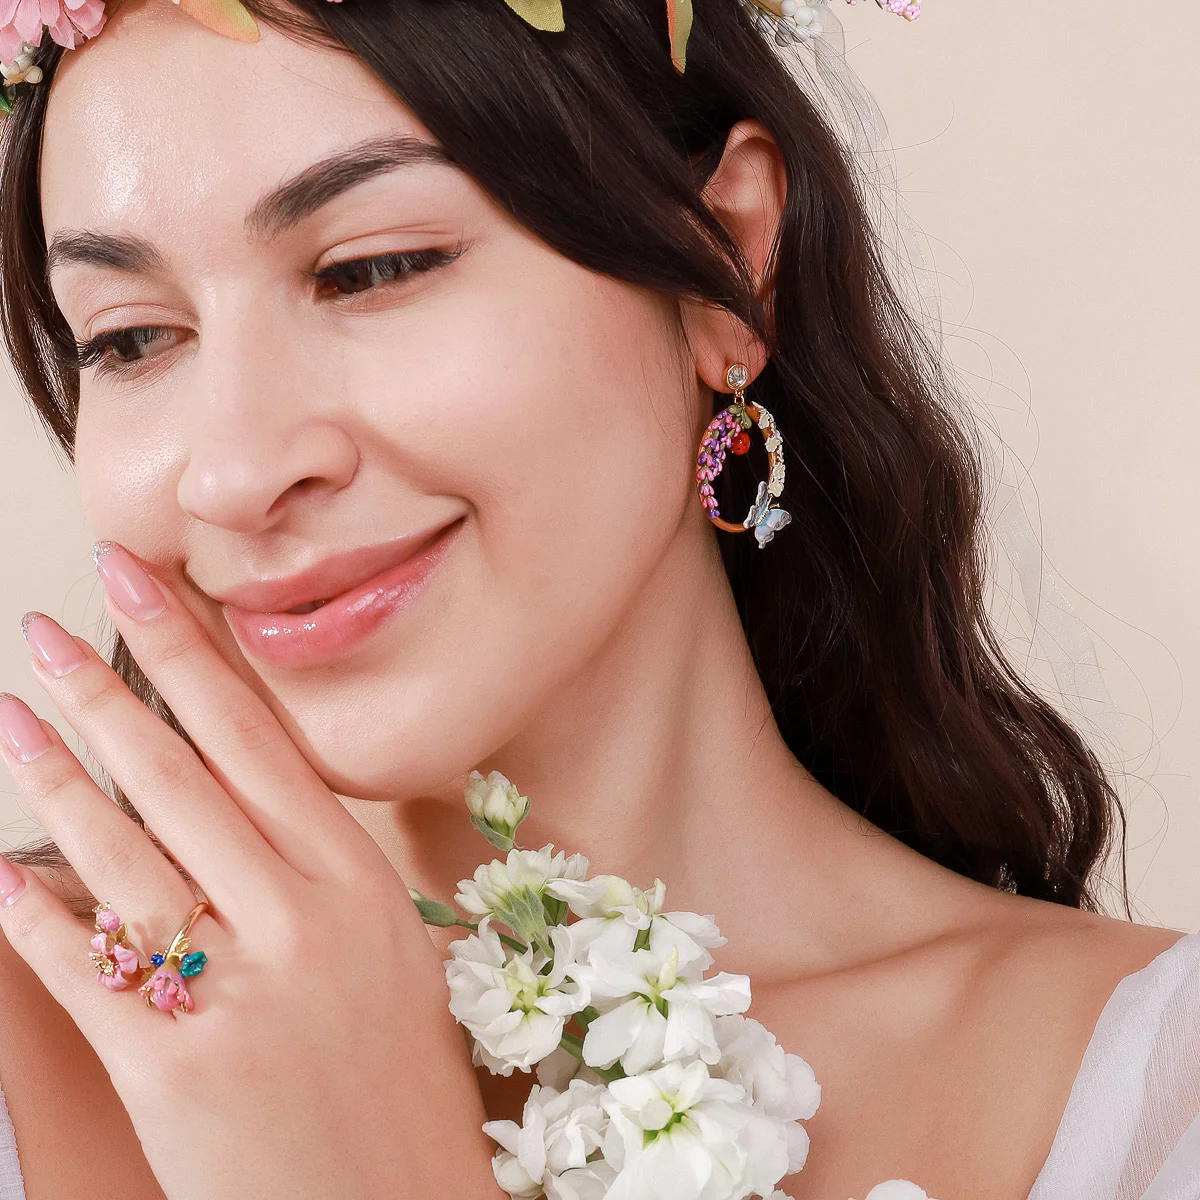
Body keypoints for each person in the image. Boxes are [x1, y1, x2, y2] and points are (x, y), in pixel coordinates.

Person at [0, 0, 1194, 1195]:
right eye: (130, 340)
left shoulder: (1153, 1102)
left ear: (727, 265)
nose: (236, 472)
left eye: (374, 268)